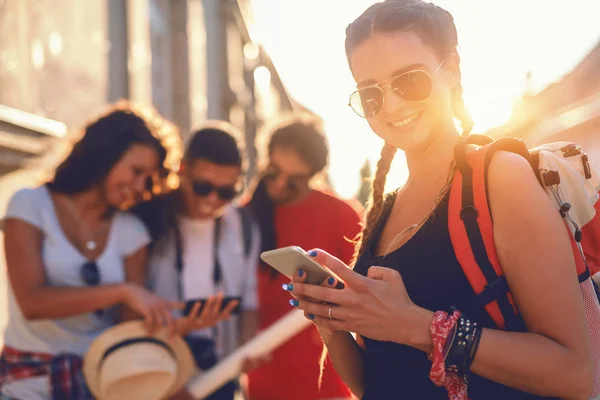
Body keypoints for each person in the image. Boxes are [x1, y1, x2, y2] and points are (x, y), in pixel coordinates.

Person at [284, 1, 594, 400]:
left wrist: (417, 326)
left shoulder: (500, 179)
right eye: (371, 93)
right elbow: (372, 383)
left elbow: (573, 373)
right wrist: (329, 317)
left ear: (452, 70)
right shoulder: (383, 210)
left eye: (409, 80)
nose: (392, 105)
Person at [0, 102, 227, 400]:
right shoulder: (29, 205)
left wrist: (178, 325)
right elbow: (32, 302)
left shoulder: (131, 231)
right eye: (135, 171)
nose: (139, 185)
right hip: (27, 386)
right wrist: (123, 290)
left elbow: (127, 327)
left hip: (102, 383)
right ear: (103, 156)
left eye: (148, 178)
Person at [135, 122, 260, 400]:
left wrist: (247, 346)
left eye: (227, 192)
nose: (213, 200)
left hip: (219, 378)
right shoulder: (147, 220)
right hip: (156, 377)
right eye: (203, 187)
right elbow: (127, 314)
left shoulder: (245, 227)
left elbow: (249, 302)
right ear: (182, 169)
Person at [245, 115, 361, 400]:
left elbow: (360, 289)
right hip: (264, 374)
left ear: (313, 174)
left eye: (294, 180)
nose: (281, 184)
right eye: (274, 172)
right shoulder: (245, 215)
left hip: (326, 379)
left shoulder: (342, 215)